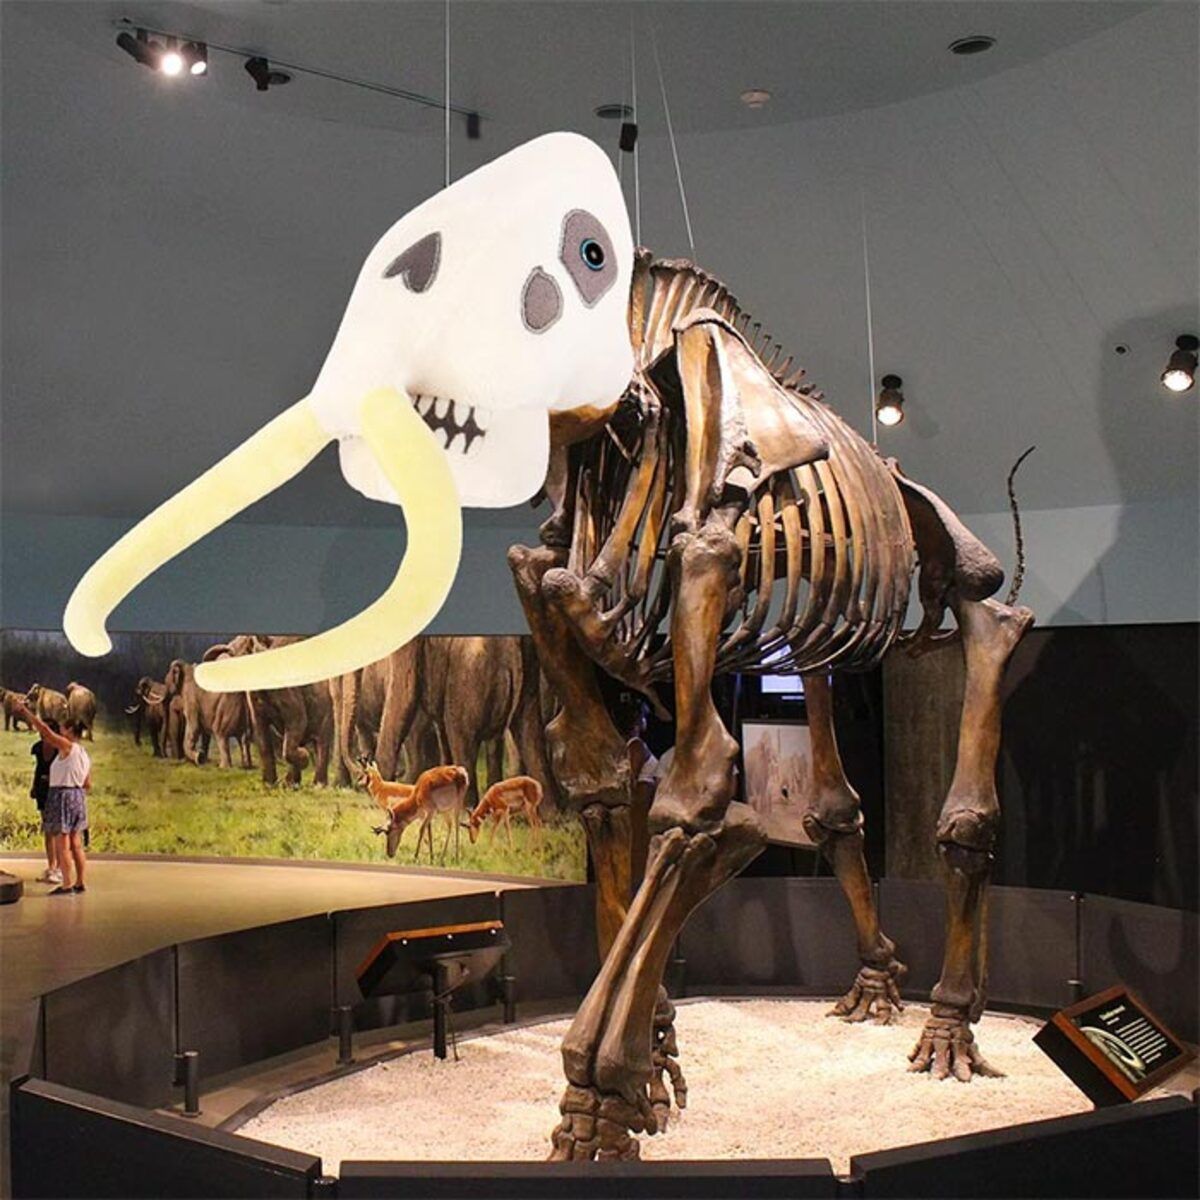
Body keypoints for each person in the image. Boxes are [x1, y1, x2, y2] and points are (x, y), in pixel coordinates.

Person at [15, 700, 91, 895]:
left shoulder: (67, 746)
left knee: (62, 844)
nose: (60, 732)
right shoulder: (84, 753)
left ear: (69, 730)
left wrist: (26, 712)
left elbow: (45, 731)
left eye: (63, 728)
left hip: (62, 796)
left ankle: (66, 884)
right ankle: (79, 882)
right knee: (76, 843)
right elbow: (87, 783)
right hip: (78, 797)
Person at [30, 718, 62, 883]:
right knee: (48, 831)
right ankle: (51, 866)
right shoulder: (37, 747)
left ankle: (60, 868)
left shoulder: (60, 749)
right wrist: (34, 787)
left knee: (57, 831)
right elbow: (38, 768)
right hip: (42, 790)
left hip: (56, 791)